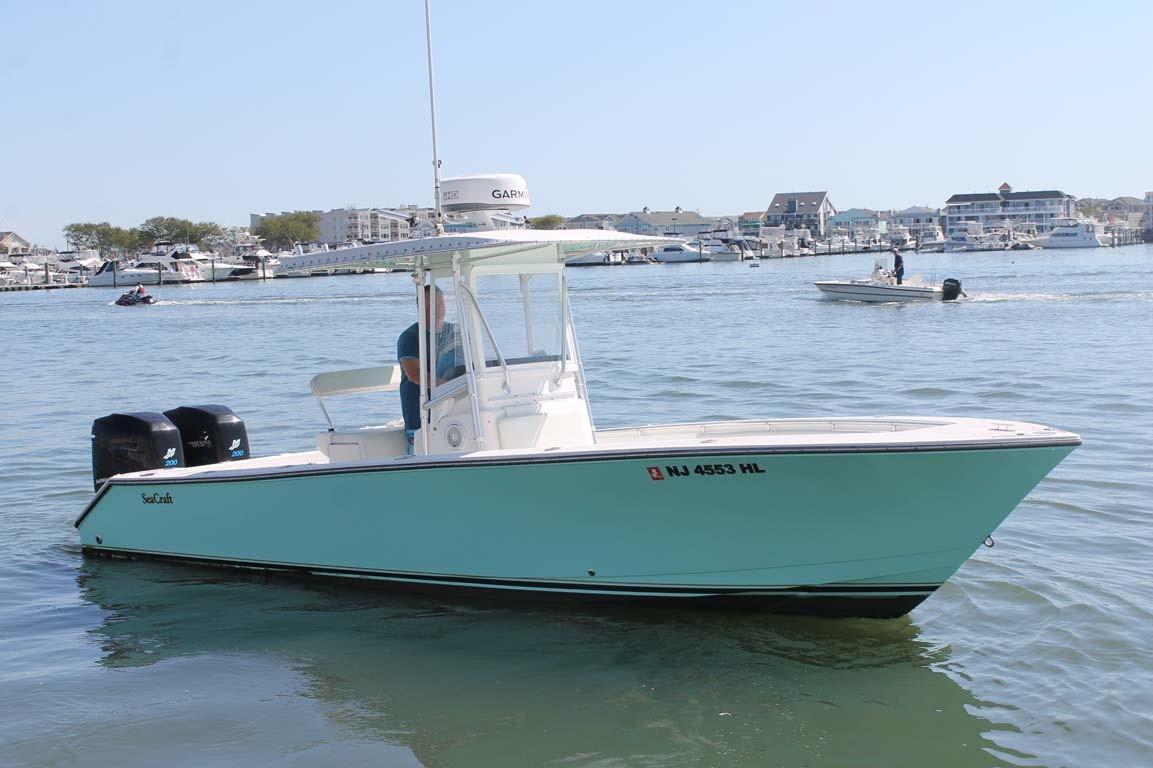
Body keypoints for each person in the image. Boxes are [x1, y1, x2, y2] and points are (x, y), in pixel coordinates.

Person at [397, 286, 461, 454]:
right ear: (420, 309)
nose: (438, 310)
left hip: (454, 417)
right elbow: (414, 375)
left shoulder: (455, 333)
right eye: (432, 306)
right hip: (420, 421)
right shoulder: (409, 337)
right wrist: (447, 387)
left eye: (441, 305)